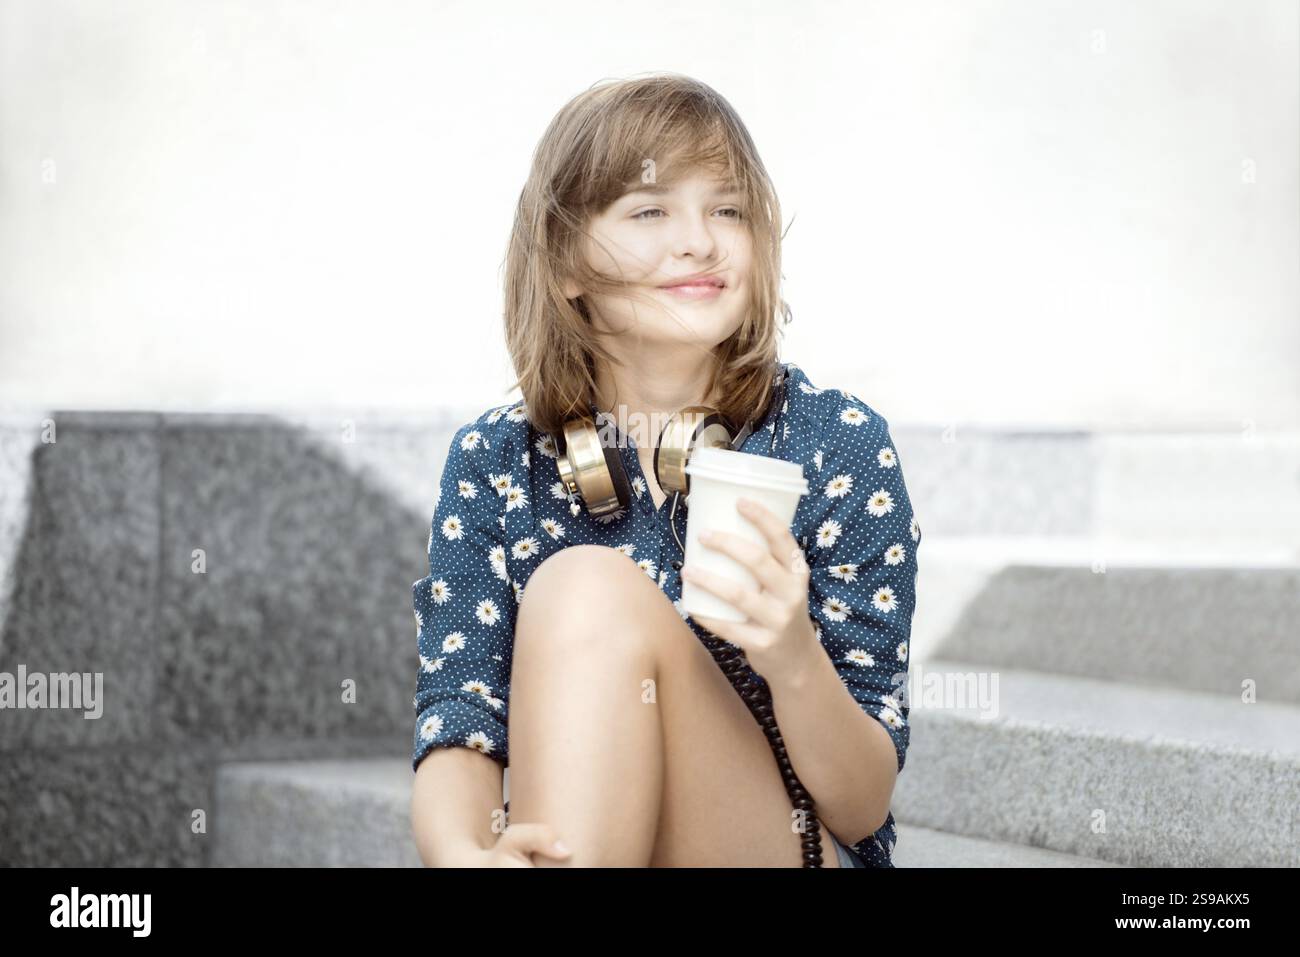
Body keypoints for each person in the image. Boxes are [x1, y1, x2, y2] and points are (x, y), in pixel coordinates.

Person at [409, 73, 921, 868]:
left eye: (727, 209)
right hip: (590, 830)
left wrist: (790, 654)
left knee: (585, 587)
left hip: (789, 845)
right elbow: (459, 720)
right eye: (650, 211)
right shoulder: (495, 461)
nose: (700, 241)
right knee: (582, 588)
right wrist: (458, 852)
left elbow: (860, 805)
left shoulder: (836, 443)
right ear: (567, 260)